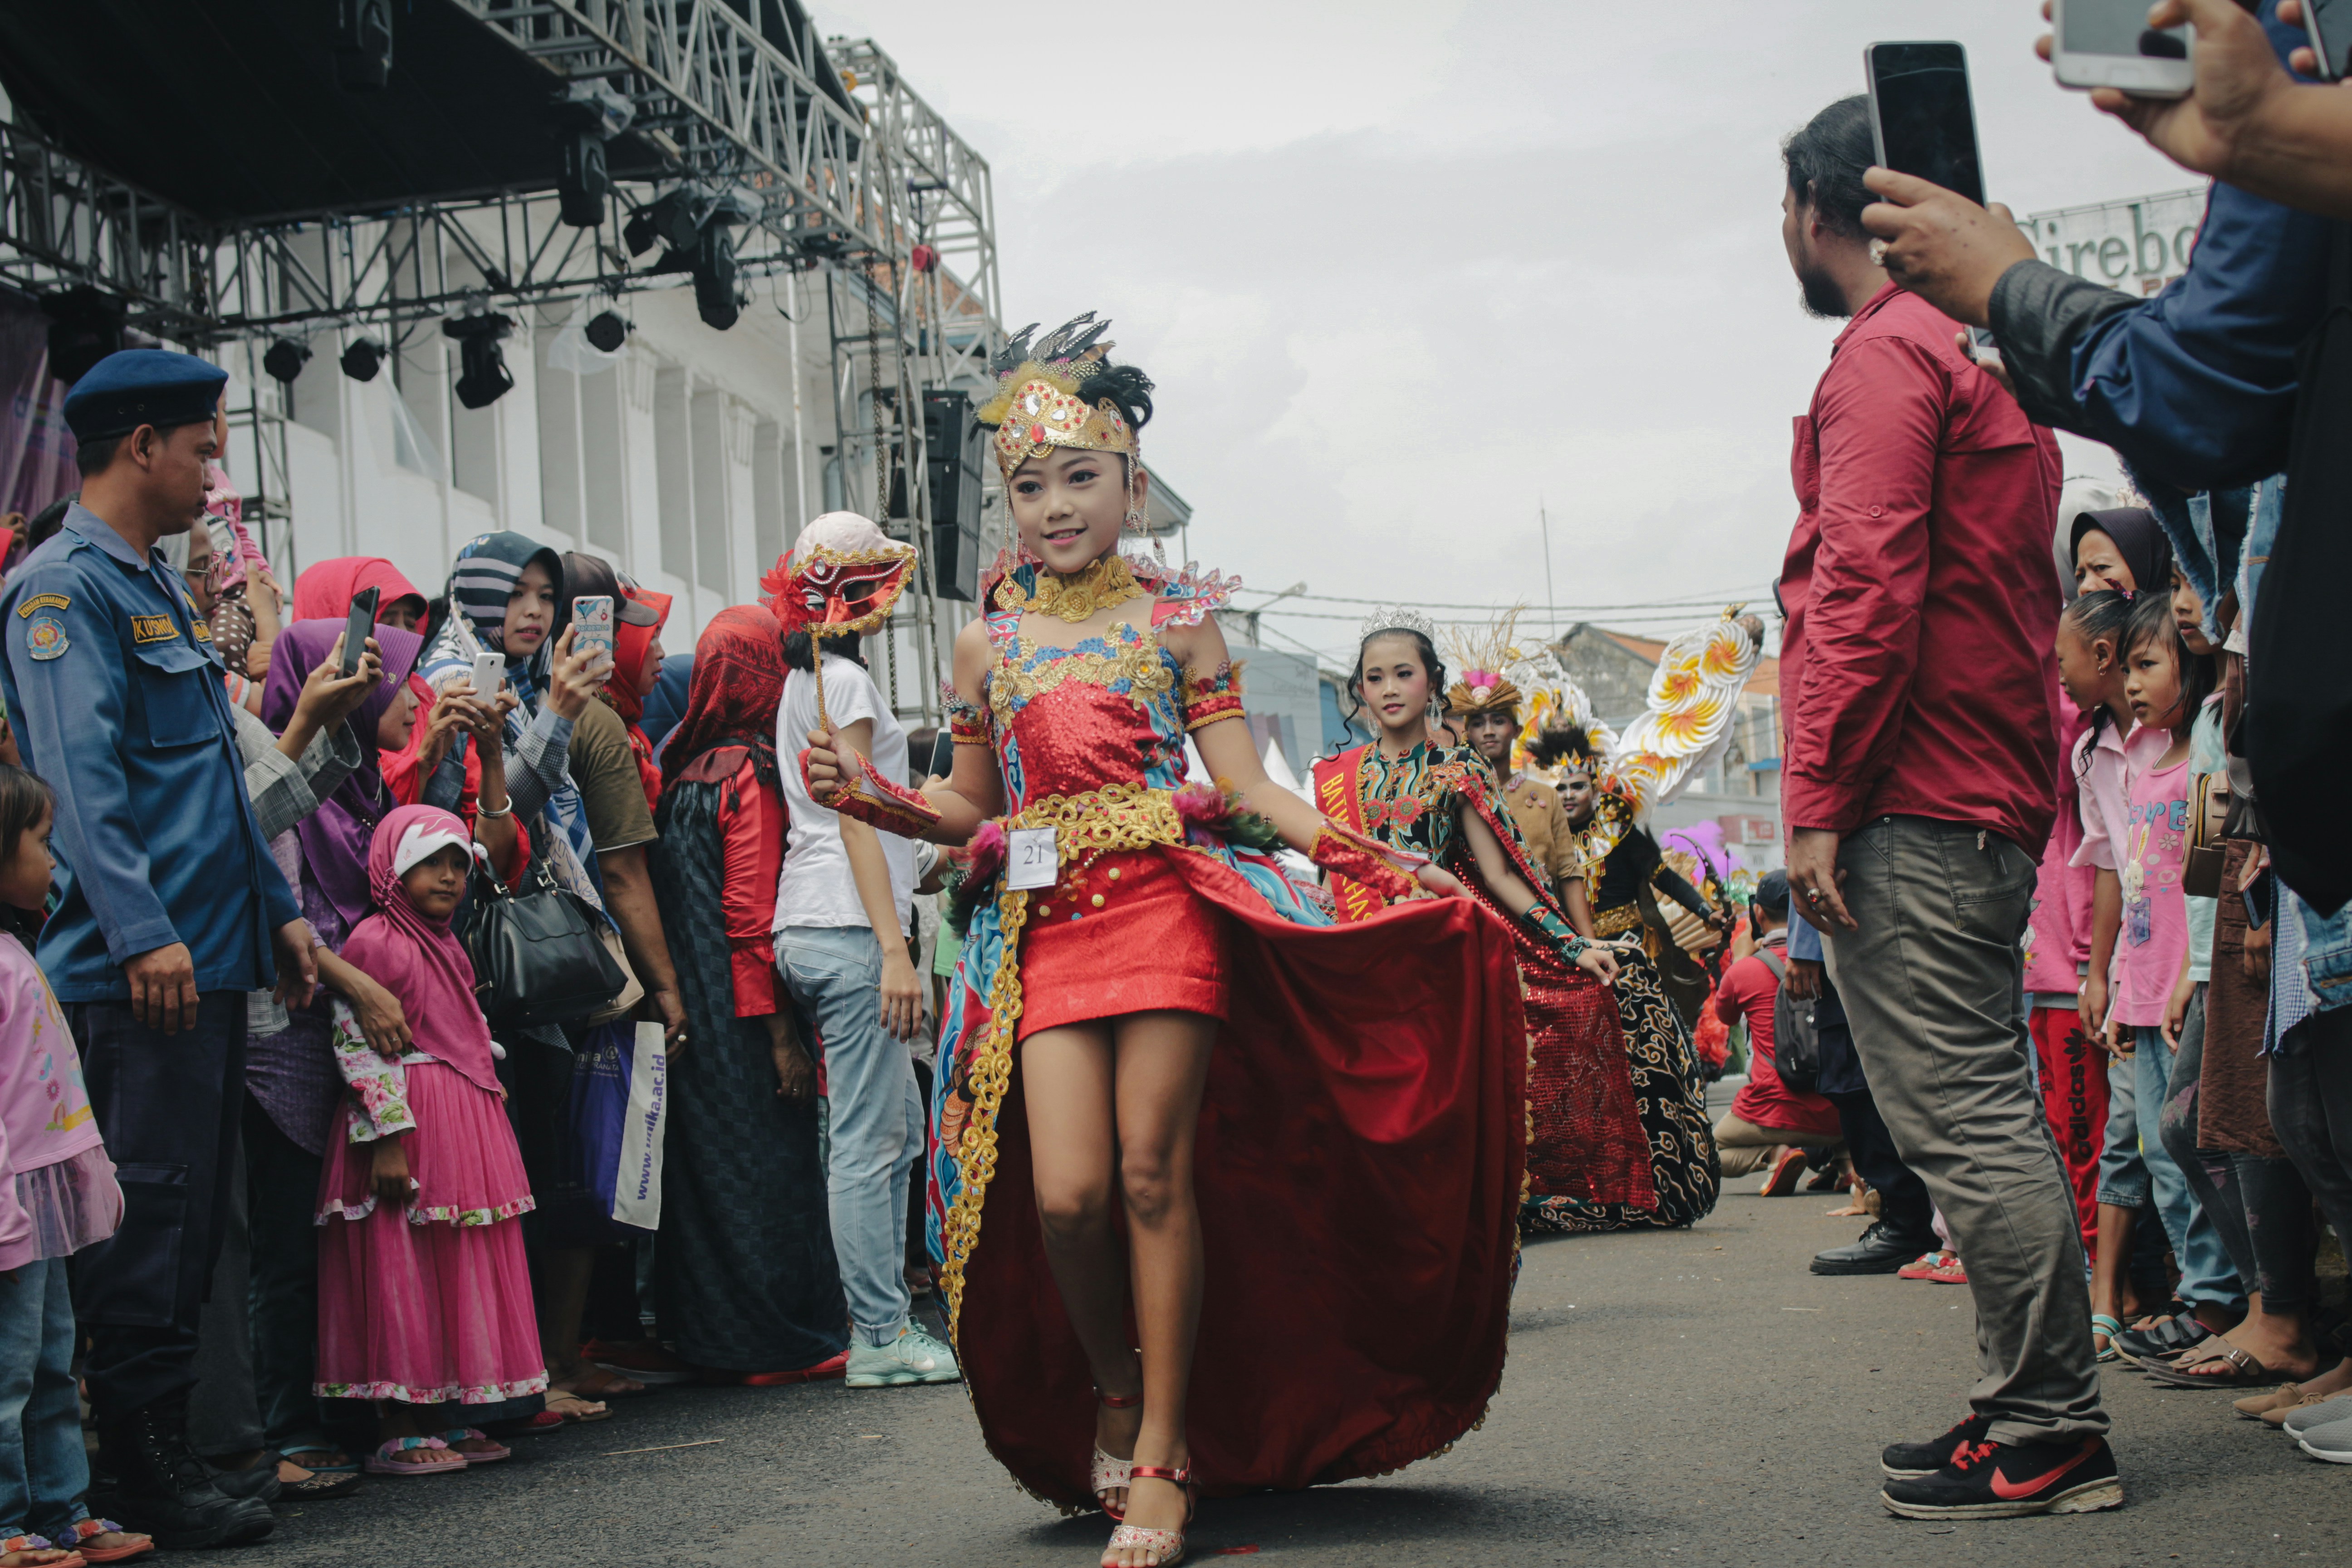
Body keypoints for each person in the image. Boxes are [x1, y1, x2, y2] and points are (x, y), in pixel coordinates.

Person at [802, 318, 1526, 1568]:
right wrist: (872, 797)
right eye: (1028, 486)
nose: (1054, 505)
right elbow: (976, 809)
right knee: (1068, 1195)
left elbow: (1243, 786)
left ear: (1132, 484)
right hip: (1049, 929)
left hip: (1166, 910)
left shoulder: (1184, 622)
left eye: (1080, 477)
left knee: (1149, 1175)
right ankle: (1115, 1382)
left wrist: (1362, 853)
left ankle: (1162, 1452)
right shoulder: (987, 641)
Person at [1773, 99, 2118, 1519]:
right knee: (1984, 1109)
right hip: (1975, 780)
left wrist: (1817, 800)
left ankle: (2050, 1424)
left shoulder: (1886, 357)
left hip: (1910, 791)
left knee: (1969, 1117)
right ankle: (2029, 1406)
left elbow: (1862, 594)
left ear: (1816, 212)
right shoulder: (1981, 354)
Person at [0, 349, 316, 1549]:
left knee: (185, 1224)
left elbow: (220, 792)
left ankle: (163, 1445)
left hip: (209, 954)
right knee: (150, 1213)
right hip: (140, 971)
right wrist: (142, 934)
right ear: (141, 445)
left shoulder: (152, 588)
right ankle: (136, 1463)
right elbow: (77, 785)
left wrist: (278, 914)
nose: (213, 466)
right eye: (203, 445)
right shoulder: (60, 592)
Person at [1313, 612, 1645, 1230]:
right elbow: (1328, 875)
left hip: (1435, 967)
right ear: (1357, 690)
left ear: (1432, 684)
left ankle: (1465, 1256)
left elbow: (1500, 876)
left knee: (1443, 1120)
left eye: (1403, 674)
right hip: (1356, 967)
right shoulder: (1336, 779)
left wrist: (1572, 946)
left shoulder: (1458, 771)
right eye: (1374, 677)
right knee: (1366, 1121)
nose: (1388, 688)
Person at [414, 533, 620, 1421]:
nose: (538, 611)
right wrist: (560, 719)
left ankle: (524, 1373)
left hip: (521, 963)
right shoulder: (458, 681)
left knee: (536, 1166)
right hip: (468, 968)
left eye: (549, 594)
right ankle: (503, 1383)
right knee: (505, 1174)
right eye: (522, 594)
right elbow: (482, 836)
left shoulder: (520, 681)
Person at [771, 512, 957, 1401]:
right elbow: (851, 811)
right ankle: (880, 1331)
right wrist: (893, 948)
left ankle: (886, 1324)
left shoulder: (811, 683)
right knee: (872, 1140)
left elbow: (862, 820)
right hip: (849, 930)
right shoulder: (838, 680)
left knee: (879, 1134)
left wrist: (933, 858)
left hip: (821, 920)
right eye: (875, 579)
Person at [312, 806, 545, 1473]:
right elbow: (357, 1044)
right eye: (430, 863)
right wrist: (386, 1136)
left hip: (460, 1129)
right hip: (405, 1130)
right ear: (393, 868)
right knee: (399, 1264)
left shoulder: (446, 944)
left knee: (451, 1266)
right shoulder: (377, 942)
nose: (449, 877)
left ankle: (445, 1411)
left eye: (457, 864)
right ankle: (397, 1422)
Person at [649, 605, 848, 1384]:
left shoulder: (680, 768)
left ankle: (712, 1336)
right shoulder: (751, 771)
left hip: (691, 1003)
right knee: (769, 1165)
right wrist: (780, 1040)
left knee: (706, 1176)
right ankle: (780, 1339)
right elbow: (748, 918)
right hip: (744, 1009)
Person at [1517, 654, 1735, 1234]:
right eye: (1558, 785)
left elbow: (1662, 875)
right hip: (1570, 957)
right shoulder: (1537, 829)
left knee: (1652, 1052)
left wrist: (1702, 908)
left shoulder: (1620, 828)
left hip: (1635, 949)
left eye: (1578, 784)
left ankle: (1668, 1144)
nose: (1568, 793)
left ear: (1595, 782)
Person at [0, 764, 151, 1567]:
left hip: (41, 1194)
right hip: (7, 1205)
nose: (53, 857)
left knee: (54, 1362)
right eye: (37, 840)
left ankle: (63, 1506)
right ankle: (5, 1519)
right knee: (6, 1374)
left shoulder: (21, 950)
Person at [1711, 871, 1842, 1190]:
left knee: (1706, 1151)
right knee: (1842, 1127)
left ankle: (1775, 1155)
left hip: (1770, 1110)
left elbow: (1725, 1018)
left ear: (1758, 914)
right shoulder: (1834, 961)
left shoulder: (1746, 969)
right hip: (1838, 1112)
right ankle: (1848, 1162)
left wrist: (1740, 960)